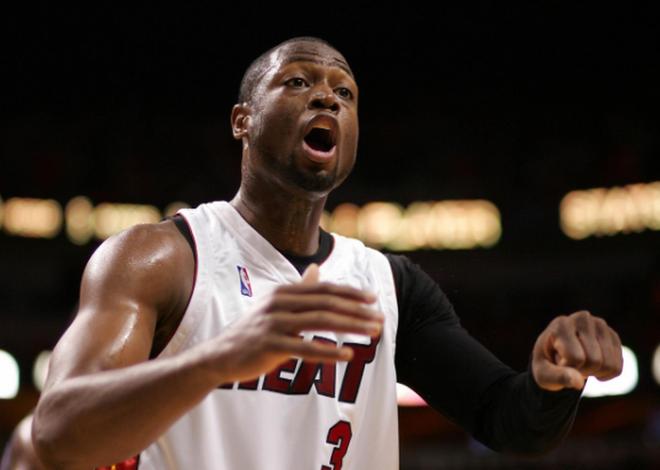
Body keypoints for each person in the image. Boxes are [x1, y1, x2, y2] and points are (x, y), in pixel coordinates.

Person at [31, 37, 623, 470]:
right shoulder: (162, 258)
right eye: (298, 82)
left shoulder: (389, 285)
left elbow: (508, 421)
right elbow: (57, 434)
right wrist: (214, 362)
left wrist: (554, 381)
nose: (327, 97)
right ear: (242, 121)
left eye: (345, 92)